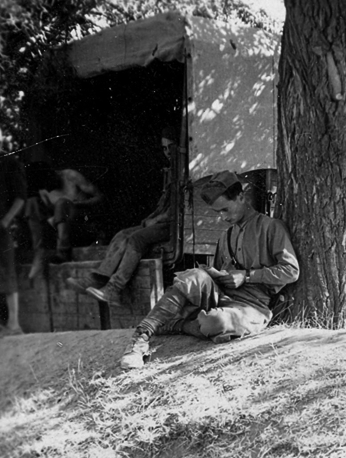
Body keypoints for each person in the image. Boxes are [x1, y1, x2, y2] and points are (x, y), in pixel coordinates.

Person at [119, 170, 299, 370]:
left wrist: (247, 276)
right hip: (222, 295)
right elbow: (216, 275)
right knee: (194, 276)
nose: (222, 217)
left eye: (225, 209)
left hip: (252, 306)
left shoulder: (271, 227)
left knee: (216, 323)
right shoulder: (225, 237)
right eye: (218, 213)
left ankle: (175, 325)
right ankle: (141, 337)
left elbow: (291, 271)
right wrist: (214, 274)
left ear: (241, 196)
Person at [66, 128, 177, 305]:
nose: (166, 153)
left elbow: (176, 209)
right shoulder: (171, 171)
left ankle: (114, 288)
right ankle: (99, 278)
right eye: (164, 149)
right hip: (160, 221)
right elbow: (163, 204)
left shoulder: (184, 171)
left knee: (136, 239)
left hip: (173, 225)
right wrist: (151, 217)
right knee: (122, 234)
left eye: (170, 148)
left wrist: (156, 220)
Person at [25, 162, 103, 278]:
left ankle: (63, 252)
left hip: (84, 223)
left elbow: (99, 197)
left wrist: (77, 204)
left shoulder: (70, 175)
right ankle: (39, 251)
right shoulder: (44, 190)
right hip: (62, 231)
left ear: (52, 174)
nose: (48, 189)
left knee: (62, 203)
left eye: (48, 184)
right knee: (32, 203)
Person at [0, 148, 27, 335]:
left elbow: (20, 197)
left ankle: (14, 324)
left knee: (7, 271)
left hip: (0, 228)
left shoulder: (8, 162)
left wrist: (5, 221)